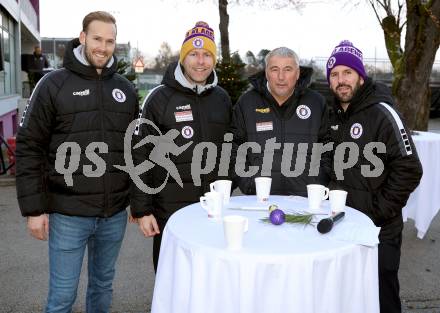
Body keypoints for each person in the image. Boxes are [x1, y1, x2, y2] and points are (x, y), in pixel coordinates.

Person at [15, 11, 139, 313]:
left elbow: (136, 150)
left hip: (113, 216)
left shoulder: (124, 88)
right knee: (61, 297)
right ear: (83, 38)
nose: (103, 46)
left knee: (102, 287)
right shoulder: (52, 85)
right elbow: (30, 147)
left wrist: (139, 201)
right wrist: (35, 209)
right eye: (97, 38)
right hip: (68, 214)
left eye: (110, 41)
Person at [325, 40, 423, 313]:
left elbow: (410, 168)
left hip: (379, 231)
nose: (341, 80)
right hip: (342, 229)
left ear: (360, 76)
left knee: (382, 298)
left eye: (347, 72)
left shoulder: (382, 112)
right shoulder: (332, 115)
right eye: (334, 74)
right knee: (348, 298)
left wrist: (377, 211)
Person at [130, 21, 232, 271]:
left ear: (214, 60)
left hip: (214, 212)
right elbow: (140, 154)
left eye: (207, 55)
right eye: (194, 54)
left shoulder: (222, 98)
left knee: (212, 278)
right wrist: (142, 210)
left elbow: (232, 148)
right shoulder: (159, 98)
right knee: (172, 278)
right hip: (170, 213)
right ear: (183, 58)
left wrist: (229, 184)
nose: (200, 61)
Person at [230, 47, 330, 196]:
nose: (281, 77)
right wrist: (248, 182)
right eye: (274, 69)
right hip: (259, 199)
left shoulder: (316, 103)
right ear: (266, 73)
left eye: (288, 69)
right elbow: (234, 147)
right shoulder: (247, 103)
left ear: (297, 74)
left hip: (305, 201)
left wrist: (316, 183)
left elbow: (328, 147)